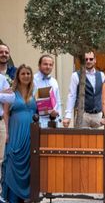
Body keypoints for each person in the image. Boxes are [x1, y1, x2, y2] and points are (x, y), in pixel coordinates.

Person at [2, 65, 37, 203]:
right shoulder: (10, 93)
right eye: (23, 73)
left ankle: (26, 198)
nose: (26, 76)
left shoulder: (34, 92)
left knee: (29, 164)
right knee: (12, 161)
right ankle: (12, 199)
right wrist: (7, 133)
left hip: (30, 134)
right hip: (15, 132)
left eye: (28, 73)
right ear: (18, 76)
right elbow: (5, 113)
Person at [63, 50, 105, 128]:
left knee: (100, 139)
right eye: (86, 59)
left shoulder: (101, 75)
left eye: (91, 59)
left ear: (95, 60)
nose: (88, 61)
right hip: (82, 115)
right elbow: (72, 95)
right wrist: (68, 115)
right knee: (80, 139)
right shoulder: (75, 75)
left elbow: (104, 96)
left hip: (98, 115)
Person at [33, 54, 62, 128]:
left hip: (53, 121)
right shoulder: (33, 80)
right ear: (39, 65)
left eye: (50, 65)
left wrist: (58, 116)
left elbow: (58, 101)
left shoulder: (54, 82)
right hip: (37, 121)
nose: (48, 67)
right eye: (45, 64)